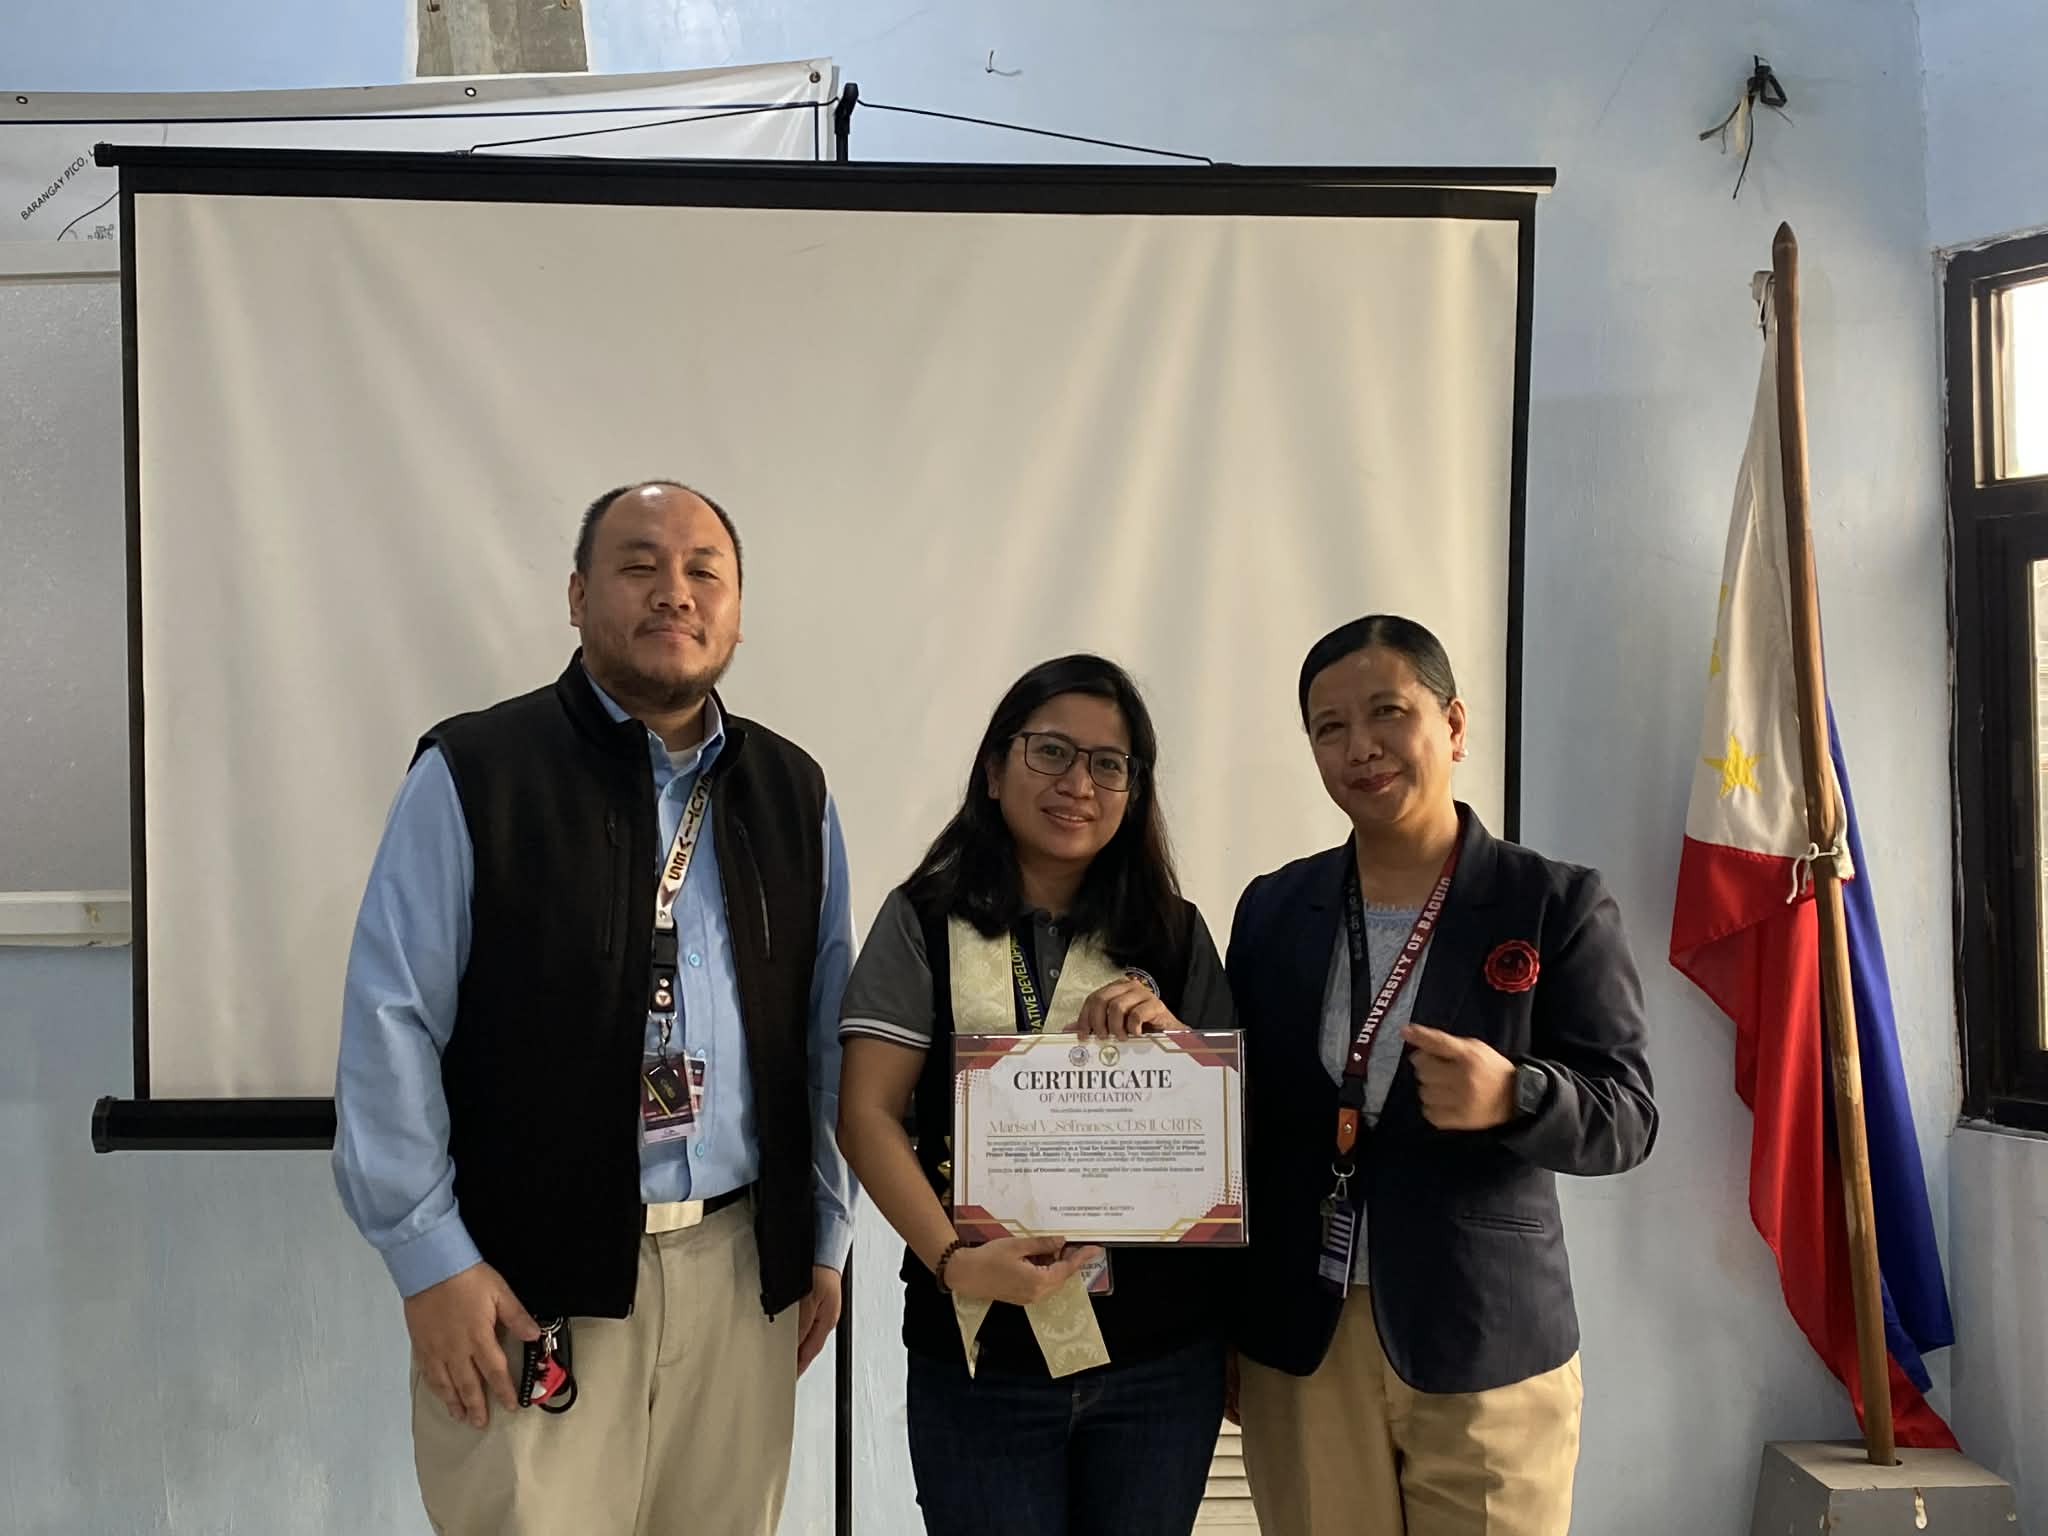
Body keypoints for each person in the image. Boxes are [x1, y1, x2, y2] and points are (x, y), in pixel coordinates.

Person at [332, 481, 857, 1535]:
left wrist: (826, 1231)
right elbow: (390, 1022)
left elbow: (824, 1032)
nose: (675, 592)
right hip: (526, 1287)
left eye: (704, 571)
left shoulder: (791, 791)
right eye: (638, 565)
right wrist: (430, 1263)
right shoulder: (476, 773)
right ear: (577, 597)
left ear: (737, 612)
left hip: (741, 1275)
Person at [1227, 615, 1656, 1536]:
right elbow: (1239, 1117)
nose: (1360, 747)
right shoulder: (1273, 908)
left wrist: (1515, 1095)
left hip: (1485, 1341)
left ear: (1454, 725)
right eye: (1330, 727)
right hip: (1302, 1342)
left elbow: (1629, 1115)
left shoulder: (1552, 902)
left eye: (1388, 712)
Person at [837, 654, 1236, 1536]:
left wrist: (1177, 1051)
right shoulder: (922, 919)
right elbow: (865, 1116)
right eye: (1050, 752)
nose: (1078, 784)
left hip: (1159, 1359)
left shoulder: (1173, 933)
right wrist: (952, 1259)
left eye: (1108, 764)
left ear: (1134, 790)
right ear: (994, 768)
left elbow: (1225, 1143)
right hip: (981, 1352)